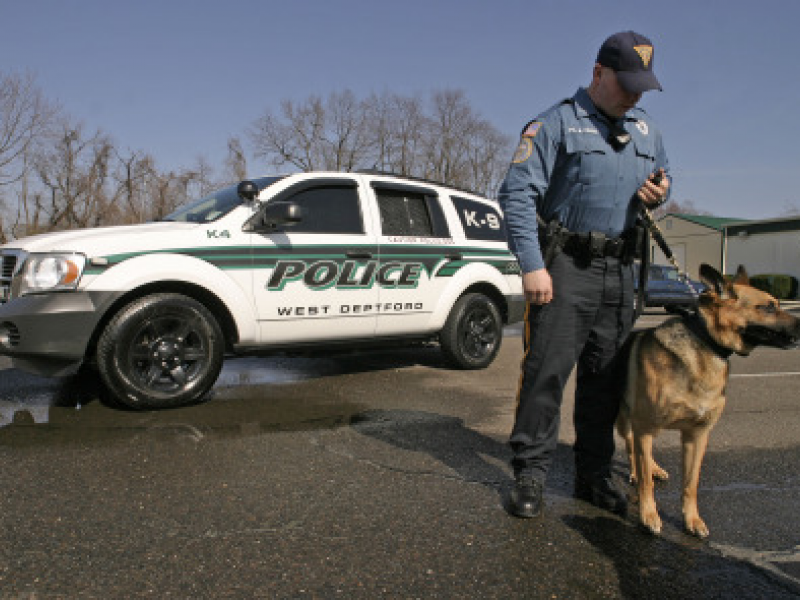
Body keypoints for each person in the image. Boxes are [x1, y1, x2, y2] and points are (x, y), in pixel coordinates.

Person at [498, 31, 670, 518]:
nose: (636, 94)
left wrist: (661, 191)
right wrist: (532, 264)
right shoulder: (554, 124)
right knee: (546, 375)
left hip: (619, 271)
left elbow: (666, 175)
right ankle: (530, 473)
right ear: (598, 73)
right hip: (565, 267)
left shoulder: (646, 130)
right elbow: (516, 196)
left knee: (606, 382)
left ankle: (593, 476)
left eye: (643, 85)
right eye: (627, 83)